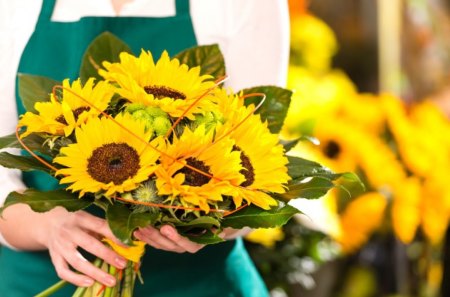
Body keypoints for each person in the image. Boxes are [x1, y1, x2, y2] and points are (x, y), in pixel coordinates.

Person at [0, 0, 290, 296]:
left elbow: (257, 159)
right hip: (34, 279)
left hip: (196, 283)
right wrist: (47, 225)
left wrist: (210, 225)